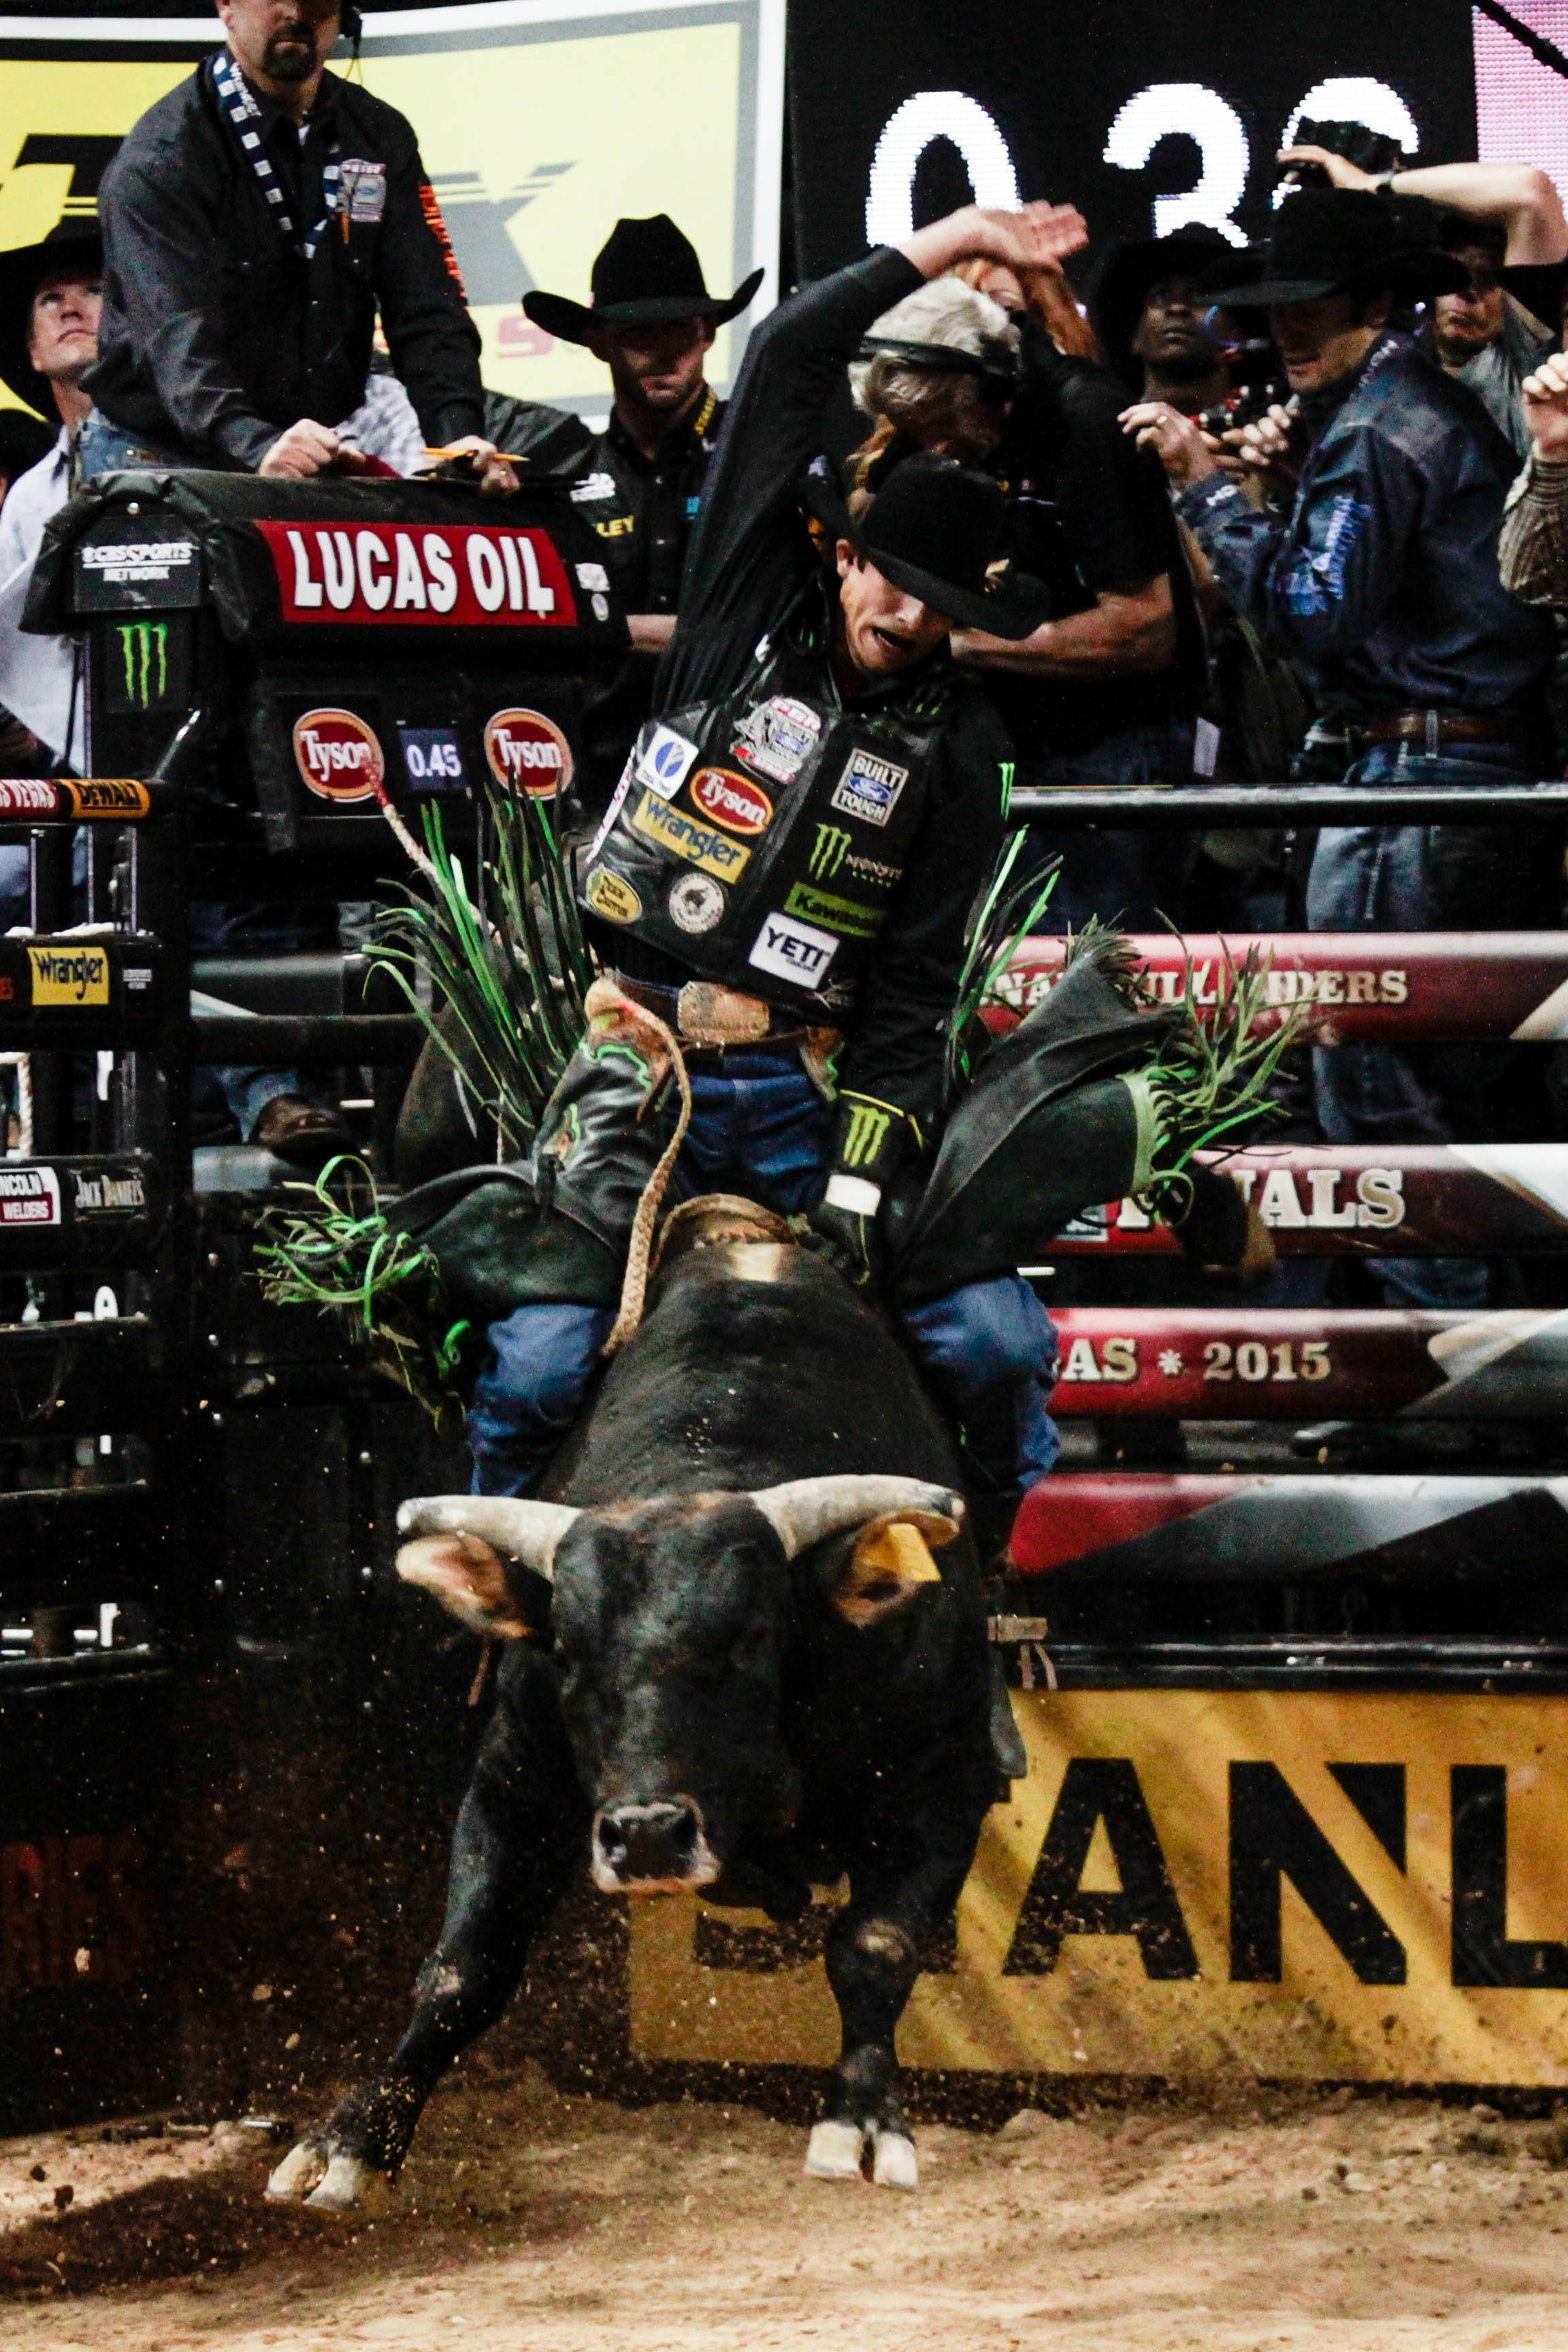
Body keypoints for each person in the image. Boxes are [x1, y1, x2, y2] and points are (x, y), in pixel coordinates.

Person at [465, 197, 1091, 1522]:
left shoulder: (962, 744)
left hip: (814, 1084)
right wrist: (957, 235)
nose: (907, 616)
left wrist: (863, 1172)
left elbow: (918, 989)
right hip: (645, 1063)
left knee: (992, 1345)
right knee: (535, 1366)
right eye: (889, 581)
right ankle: (500, 1623)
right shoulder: (747, 602)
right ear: (845, 555)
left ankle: (983, 1593)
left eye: (942, 604)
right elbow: (800, 350)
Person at [1124, 189, 1556, 1311]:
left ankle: (1455, 1371)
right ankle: (1495, 1367)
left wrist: (1208, 494)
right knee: (1445, 1088)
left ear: (1371, 304)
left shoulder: (1378, 427)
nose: (1284, 333)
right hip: (1461, 776)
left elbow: (1315, 614)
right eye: (1274, 314)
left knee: (1370, 1076)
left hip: (1414, 782)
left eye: (1308, 309)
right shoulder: (1399, 411)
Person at [845, 272, 1205, 932]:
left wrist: (948, 643)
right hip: (1008, 753)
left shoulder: (1090, 422)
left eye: (938, 428)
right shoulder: (962, 425)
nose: (934, 452)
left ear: (986, 396)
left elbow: (1144, 628)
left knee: (1085, 994)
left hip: (1108, 765)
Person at [83, 0, 510, 494]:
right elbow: (175, 337)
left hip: (305, 448)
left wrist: (455, 436)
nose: (295, 12)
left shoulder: (376, 135)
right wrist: (255, 444)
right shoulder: (165, 157)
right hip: (162, 454)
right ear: (226, 6)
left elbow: (426, 303)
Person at [522, 216, 763, 827]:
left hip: (742, 784)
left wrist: (596, 627)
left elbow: (770, 632)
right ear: (598, 341)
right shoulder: (559, 473)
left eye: (678, 329)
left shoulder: (760, 462)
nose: (661, 351)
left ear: (707, 332)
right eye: (637, 333)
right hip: (595, 789)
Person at [1279, 144, 1568, 455]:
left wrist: (1370, 185)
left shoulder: (1525, 364)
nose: (1467, 293)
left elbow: (1530, 193)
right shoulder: (1390, 364)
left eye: (1487, 280)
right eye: (1459, 276)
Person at [1092, 229, 1235, 412]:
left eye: (1200, 297)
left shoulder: (1267, 432)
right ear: (1135, 337)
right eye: (1161, 297)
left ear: (1235, 333)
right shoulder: (1107, 433)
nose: (1178, 308)